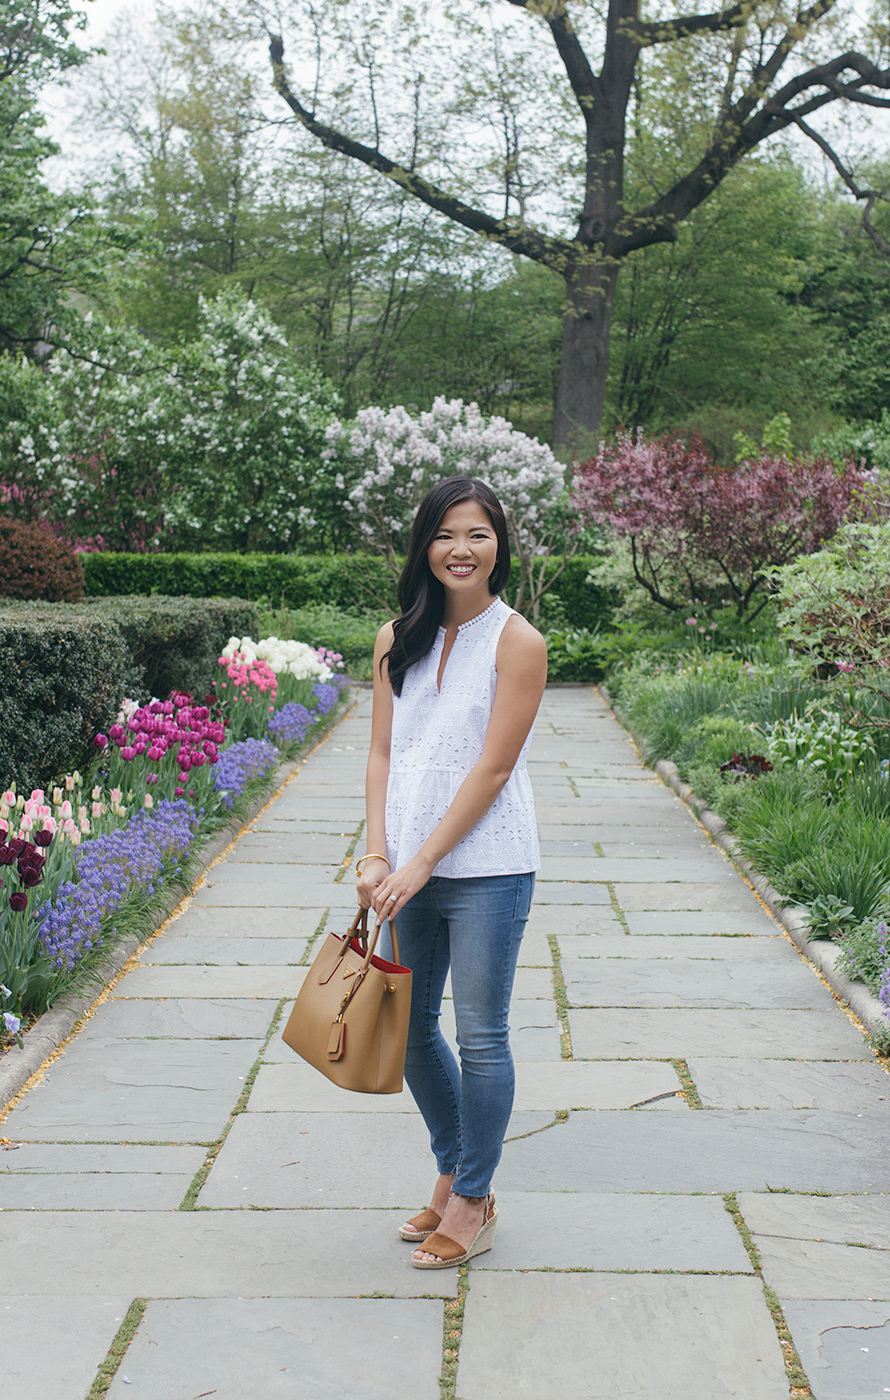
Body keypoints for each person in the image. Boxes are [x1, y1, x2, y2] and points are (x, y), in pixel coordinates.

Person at [356, 474, 547, 1270]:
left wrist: (424, 860)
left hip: (488, 869)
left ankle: (471, 1198)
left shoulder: (519, 643)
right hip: (402, 870)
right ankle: (455, 1164)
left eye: (477, 534)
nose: (460, 549)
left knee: (483, 1038)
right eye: (446, 534)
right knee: (403, 1033)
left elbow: (494, 769)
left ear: (498, 546)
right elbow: (381, 751)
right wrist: (377, 852)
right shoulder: (396, 637)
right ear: (424, 545)